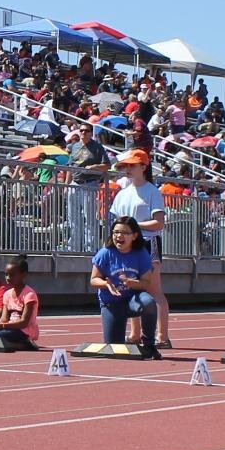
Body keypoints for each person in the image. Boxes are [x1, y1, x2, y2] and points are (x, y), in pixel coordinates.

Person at [106, 149, 171, 346]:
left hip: (147, 243)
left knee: (153, 290)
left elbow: (159, 223)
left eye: (132, 165)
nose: (128, 169)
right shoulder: (122, 194)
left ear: (143, 167)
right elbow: (113, 222)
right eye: (126, 166)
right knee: (129, 287)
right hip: (127, 245)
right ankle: (134, 334)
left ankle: (163, 337)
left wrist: (134, 225)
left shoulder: (152, 192)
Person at [90, 216, 160, 357]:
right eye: (116, 232)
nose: (119, 236)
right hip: (111, 303)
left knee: (149, 302)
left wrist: (131, 283)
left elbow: (146, 283)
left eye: (124, 233)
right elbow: (93, 280)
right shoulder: (105, 253)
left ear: (134, 236)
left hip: (132, 300)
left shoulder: (141, 254)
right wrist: (105, 283)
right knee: (115, 350)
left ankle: (149, 345)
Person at [0, 255, 40, 350]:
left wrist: (2, 326)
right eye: (6, 274)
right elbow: (4, 318)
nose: (8, 278)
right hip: (10, 328)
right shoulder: (7, 294)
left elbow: (24, 323)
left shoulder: (29, 295)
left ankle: (24, 345)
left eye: (12, 275)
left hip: (24, 331)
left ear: (23, 275)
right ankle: (15, 343)